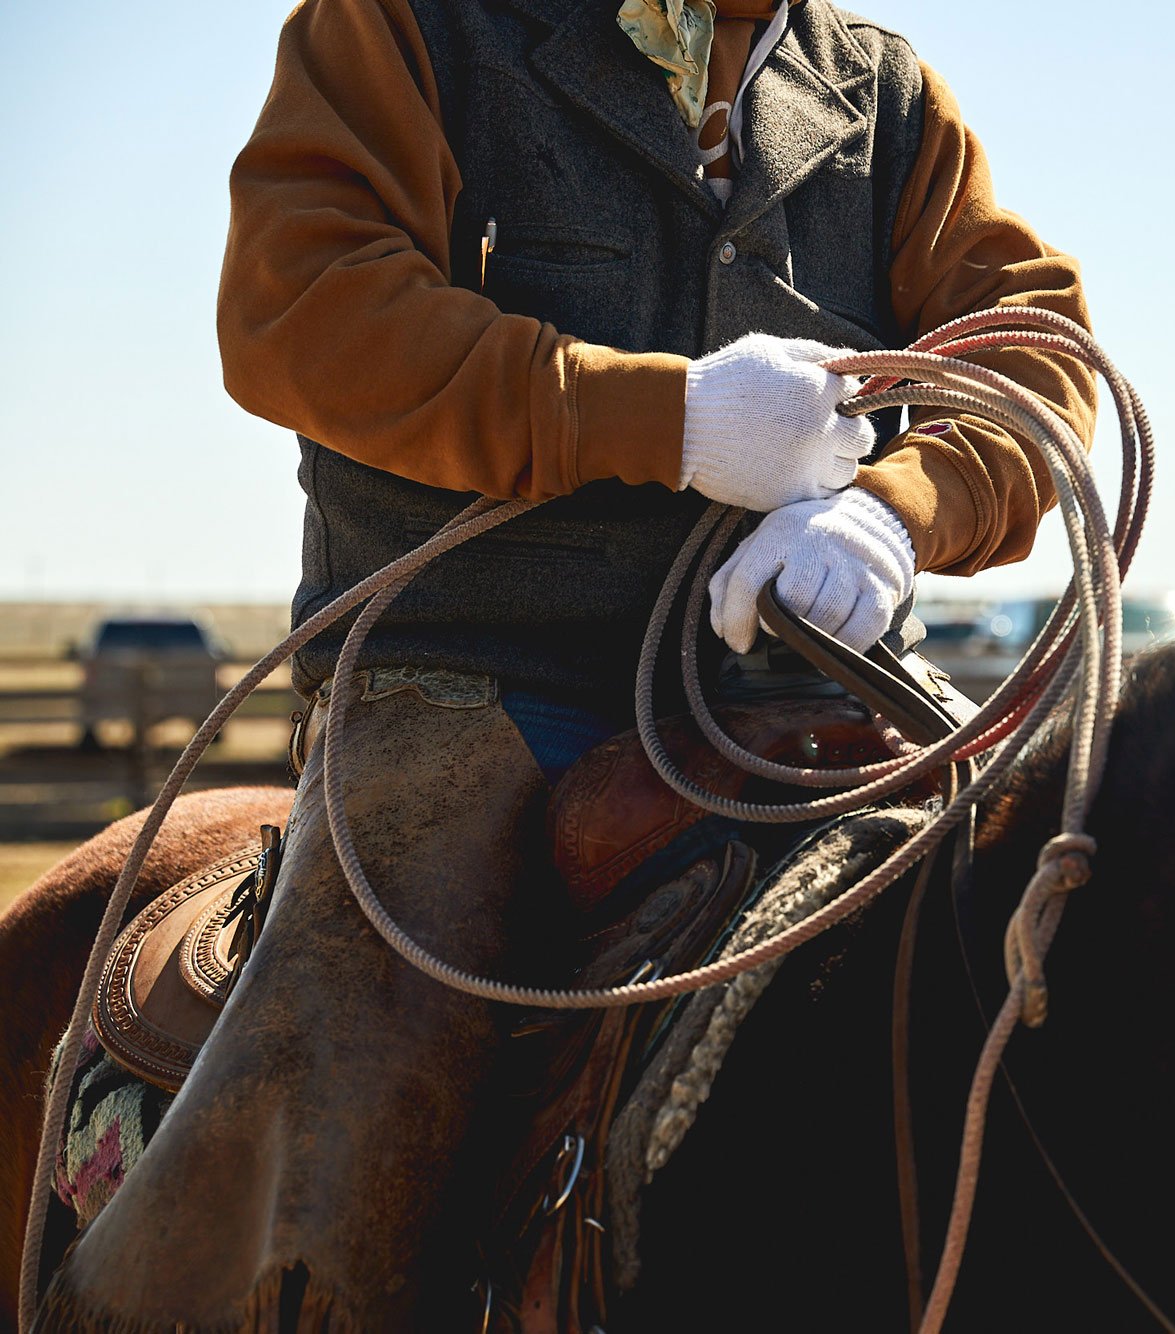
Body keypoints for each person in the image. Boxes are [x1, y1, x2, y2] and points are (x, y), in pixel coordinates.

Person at [41, 2, 1096, 1326]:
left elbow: (1038, 342)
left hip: (798, 699)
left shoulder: (882, 96)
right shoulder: (407, 27)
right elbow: (298, 300)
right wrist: (667, 418)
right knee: (347, 1170)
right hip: (469, 684)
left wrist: (901, 507)